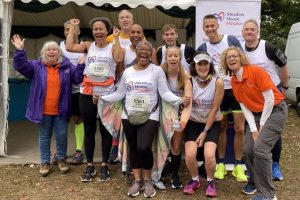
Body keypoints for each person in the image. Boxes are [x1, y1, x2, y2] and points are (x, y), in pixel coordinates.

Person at [98, 40, 185, 198]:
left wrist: (178, 100)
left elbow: (164, 93)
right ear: (136, 52)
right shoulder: (128, 71)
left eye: (147, 50)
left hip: (151, 114)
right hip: (128, 114)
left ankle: (148, 180)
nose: (144, 52)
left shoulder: (157, 71)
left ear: (151, 52)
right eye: (141, 49)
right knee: (133, 148)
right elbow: (120, 93)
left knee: (144, 147)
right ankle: (137, 181)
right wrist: (104, 97)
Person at [11, 34, 85, 177]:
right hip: (43, 110)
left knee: (62, 136)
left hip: (61, 110)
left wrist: (81, 66)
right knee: (44, 137)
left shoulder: (67, 66)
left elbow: (77, 79)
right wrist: (20, 51)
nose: (51, 52)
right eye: (48, 50)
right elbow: (20, 66)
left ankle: (61, 160)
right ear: (44, 53)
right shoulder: (35, 66)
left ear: (59, 53)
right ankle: (45, 162)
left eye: (54, 50)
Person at [221, 46, 287, 200]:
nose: (231, 59)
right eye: (228, 57)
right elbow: (244, 105)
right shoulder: (234, 81)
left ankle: (268, 194)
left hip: (275, 110)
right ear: (225, 63)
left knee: (260, 149)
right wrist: (253, 129)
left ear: (241, 58)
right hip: (256, 114)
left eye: (234, 56)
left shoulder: (255, 71)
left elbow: (270, 99)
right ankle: (256, 182)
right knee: (248, 149)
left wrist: (262, 125)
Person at [66, 17, 124, 182]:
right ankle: (90, 165)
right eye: (95, 29)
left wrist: (117, 38)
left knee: (105, 131)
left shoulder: (113, 47)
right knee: (89, 129)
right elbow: (70, 46)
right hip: (87, 93)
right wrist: (72, 27)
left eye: (101, 29)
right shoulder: (87, 46)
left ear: (107, 31)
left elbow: (119, 58)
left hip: (107, 95)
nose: (98, 32)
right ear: (92, 32)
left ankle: (105, 165)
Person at [197, 14, 247, 182]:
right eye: (207, 27)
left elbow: (243, 61)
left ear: (217, 25)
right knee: (222, 127)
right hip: (218, 91)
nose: (210, 29)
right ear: (203, 29)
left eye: (212, 25)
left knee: (240, 128)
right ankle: (221, 164)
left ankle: (239, 165)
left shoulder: (230, 39)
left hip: (236, 89)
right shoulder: (203, 46)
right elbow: (200, 70)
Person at [242, 19, 288, 182]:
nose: (249, 32)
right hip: (255, 96)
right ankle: (253, 166)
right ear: (242, 33)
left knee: (272, 131)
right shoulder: (241, 51)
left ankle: (275, 164)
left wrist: (284, 85)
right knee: (253, 129)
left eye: (252, 29)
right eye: (246, 29)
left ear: (258, 32)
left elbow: (283, 64)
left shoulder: (267, 47)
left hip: (273, 92)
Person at [183, 51, 224, 197]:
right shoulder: (190, 80)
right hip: (194, 122)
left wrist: (205, 131)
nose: (203, 67)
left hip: (211, 122)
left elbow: (214, 109)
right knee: (189, 155)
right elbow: (187, 105)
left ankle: (210, 182)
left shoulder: (218, 81)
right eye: (199, 64)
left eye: (205, 63)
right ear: (195, 65)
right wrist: (182, 122)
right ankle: (195, 180)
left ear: (210, 64)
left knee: (209, 155)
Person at [160, 46, 192, 189]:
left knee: (176, 145)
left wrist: (183, 118)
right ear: (166, 58)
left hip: (179, 114)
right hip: (163, 113)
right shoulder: (160, 72)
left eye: (176, 56)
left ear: (180, 58)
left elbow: (188, 99)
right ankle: (162, 170)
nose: (173, 58)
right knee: (164, 144)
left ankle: (175, 174)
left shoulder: (185, 75)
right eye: (170, 56)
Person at [59, 19, 85, 164]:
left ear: (78, 31)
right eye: (66, 30)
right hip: (63, 90)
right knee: (61, 120)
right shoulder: (60, 47)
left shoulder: (84, 46)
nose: (69, 32)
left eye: (72, 29)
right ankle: (61, 151)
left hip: (79, 90)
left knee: (78, 119)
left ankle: (79, 151)